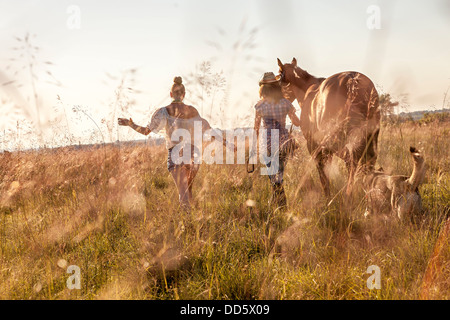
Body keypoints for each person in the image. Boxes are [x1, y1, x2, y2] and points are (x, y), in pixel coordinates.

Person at [118, 76, 231, 210]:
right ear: (184, 95)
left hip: (176, 153)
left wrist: (130, 124)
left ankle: (188, 223)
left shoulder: (163, 112)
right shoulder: (192, 110)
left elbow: (146, 131)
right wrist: (227, 143)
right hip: (193, 152)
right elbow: (209, 130)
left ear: (171, 94)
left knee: (183, 194)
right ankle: (195, 224)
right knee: (189, 191)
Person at [254, 72, 301, 208]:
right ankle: (280, 204)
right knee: (279, 175)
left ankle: (279, 204)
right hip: (283, 142)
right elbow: (297, 123)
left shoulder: (259, 106)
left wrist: (255, 147)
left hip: (267, 144)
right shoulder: (286, 103)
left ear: (262, 89)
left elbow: (256, 128)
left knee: (273, 177)